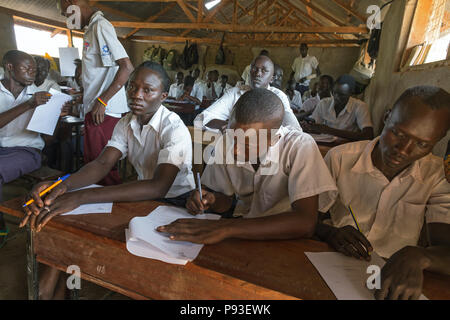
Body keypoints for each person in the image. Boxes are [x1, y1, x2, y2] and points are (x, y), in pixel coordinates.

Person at [20, 61, 196, 298]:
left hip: (178, 204)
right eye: (132, 87)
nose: (136, 95)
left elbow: (159, 185)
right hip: (145, 200)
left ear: (163, 96)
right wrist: (62, 185)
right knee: (67, 219)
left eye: (147, 90)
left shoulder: (174, 128)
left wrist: (82, 196)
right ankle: (58, 281)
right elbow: (102, 164)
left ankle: (62, 281)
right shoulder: (127, 122)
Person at [315, 86, 450, 300]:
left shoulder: (436, 176)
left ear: (438, 139)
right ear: (387, 117)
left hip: (392, 278)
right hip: (332, 265)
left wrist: (420, 256)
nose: (403, 150)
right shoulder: (340, 159)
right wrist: (327, 232)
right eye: (398, 133)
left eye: (422, 144)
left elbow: (446, 247)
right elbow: (309, 219)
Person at [156, 88, 336, 244]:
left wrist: (226, 228)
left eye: (246, 144)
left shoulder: (299, 146)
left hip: (286, 238)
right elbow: (225, 203)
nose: (234, 150)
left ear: (274, 138)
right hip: (242, 231)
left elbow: (305, 222)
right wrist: (210, 199)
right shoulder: (226, 144)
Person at [59, 0, 134, 186]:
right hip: (97, 109)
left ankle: (111, 211)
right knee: (94, 164)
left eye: (66, 12)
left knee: (101, 169)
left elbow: (126, 67)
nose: (66, 18)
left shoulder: (100, 26)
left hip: (103, 112)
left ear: (72, 3)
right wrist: (82, 99)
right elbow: (99, 75)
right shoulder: (91, 29)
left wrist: (102, 100)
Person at [0, 50, 54, 247]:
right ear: (10, 67)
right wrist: (29, 105)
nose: (33, 72)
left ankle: (0, 228)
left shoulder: (40, 95)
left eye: (34, 69)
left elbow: (50, 138)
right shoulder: (32, 98)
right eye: (27, 68)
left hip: (28, 151)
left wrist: (56, 116)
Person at [194, 55, 301, 132]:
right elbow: (200, 120)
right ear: (249, 73)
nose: (258, 73)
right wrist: (230, 126)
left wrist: (262, 133)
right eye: (254, 69)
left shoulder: (278, 96)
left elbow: (295, 129)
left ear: (272, 79)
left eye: (264, 70)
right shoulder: (235, 93)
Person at [303, 74, 374, 141]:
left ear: (351, 93)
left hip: (346, 147)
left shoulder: (360, 106)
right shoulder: (324, 103)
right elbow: (316, 127)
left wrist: (329, 130)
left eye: (341, 95)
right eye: (334, 93)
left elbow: (368, 136)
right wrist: (308, 127)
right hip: (326, 143)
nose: (336, 97)